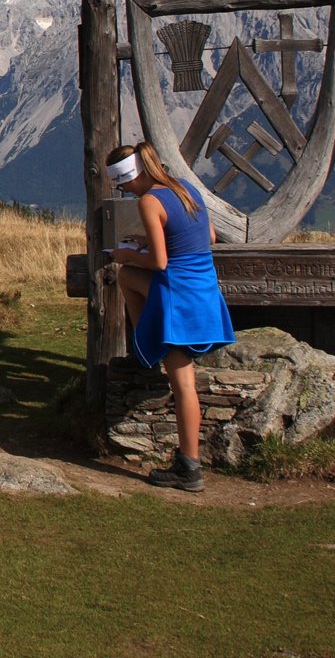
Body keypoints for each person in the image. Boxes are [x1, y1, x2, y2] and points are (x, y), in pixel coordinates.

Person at [108, 141, 235, 492]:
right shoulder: (185, 187)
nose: (124, 191)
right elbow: (206, 236)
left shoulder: (149, 200)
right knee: (128, 279)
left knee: (183, 386)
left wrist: (127, 254)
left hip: (179, 297)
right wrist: (148, 242)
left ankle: (189, 467)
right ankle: (147, 342)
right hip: (204, 290)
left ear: (132, 176)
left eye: (122, 185)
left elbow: (161, 263)